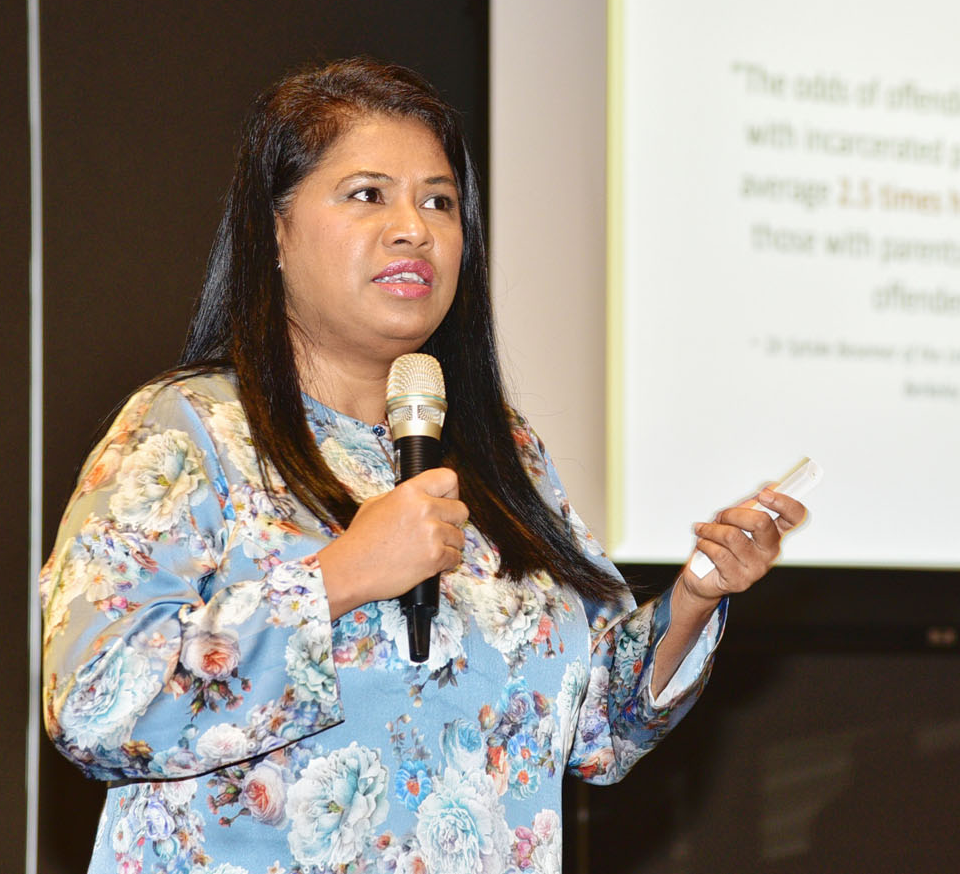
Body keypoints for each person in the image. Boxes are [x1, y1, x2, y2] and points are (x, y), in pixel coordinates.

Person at [39, 57, 805, 874]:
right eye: (368, 194)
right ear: (276, 232)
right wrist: (340, 577)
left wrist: (696, 595)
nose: (414, 227)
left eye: (439, 201)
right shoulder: (191, 428)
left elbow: (597, 729)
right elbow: (91, 702)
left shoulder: (503, 452)